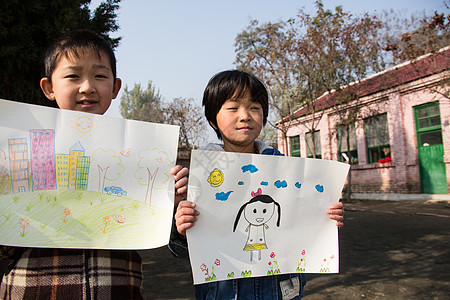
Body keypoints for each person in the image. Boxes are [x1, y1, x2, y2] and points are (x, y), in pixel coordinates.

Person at [0, 29, 188, 299]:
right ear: (48, 88)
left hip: (116, 288)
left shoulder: (141, 154)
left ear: (115, 88)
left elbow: (162, 239)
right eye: (73, 76)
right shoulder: (22, 150)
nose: (87, 86)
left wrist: (172, 204)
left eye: (99, 76)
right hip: (32, 288)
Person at [172, 70, 345, 299]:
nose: (245, 115)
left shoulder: (287, 170)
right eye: (233, 108)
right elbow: (180, 250)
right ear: (213, 119)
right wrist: (181, 230)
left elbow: (303, 223)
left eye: (254, 107)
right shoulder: (197, 176)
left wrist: (327, 216)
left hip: (281, 291)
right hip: (225, 293)